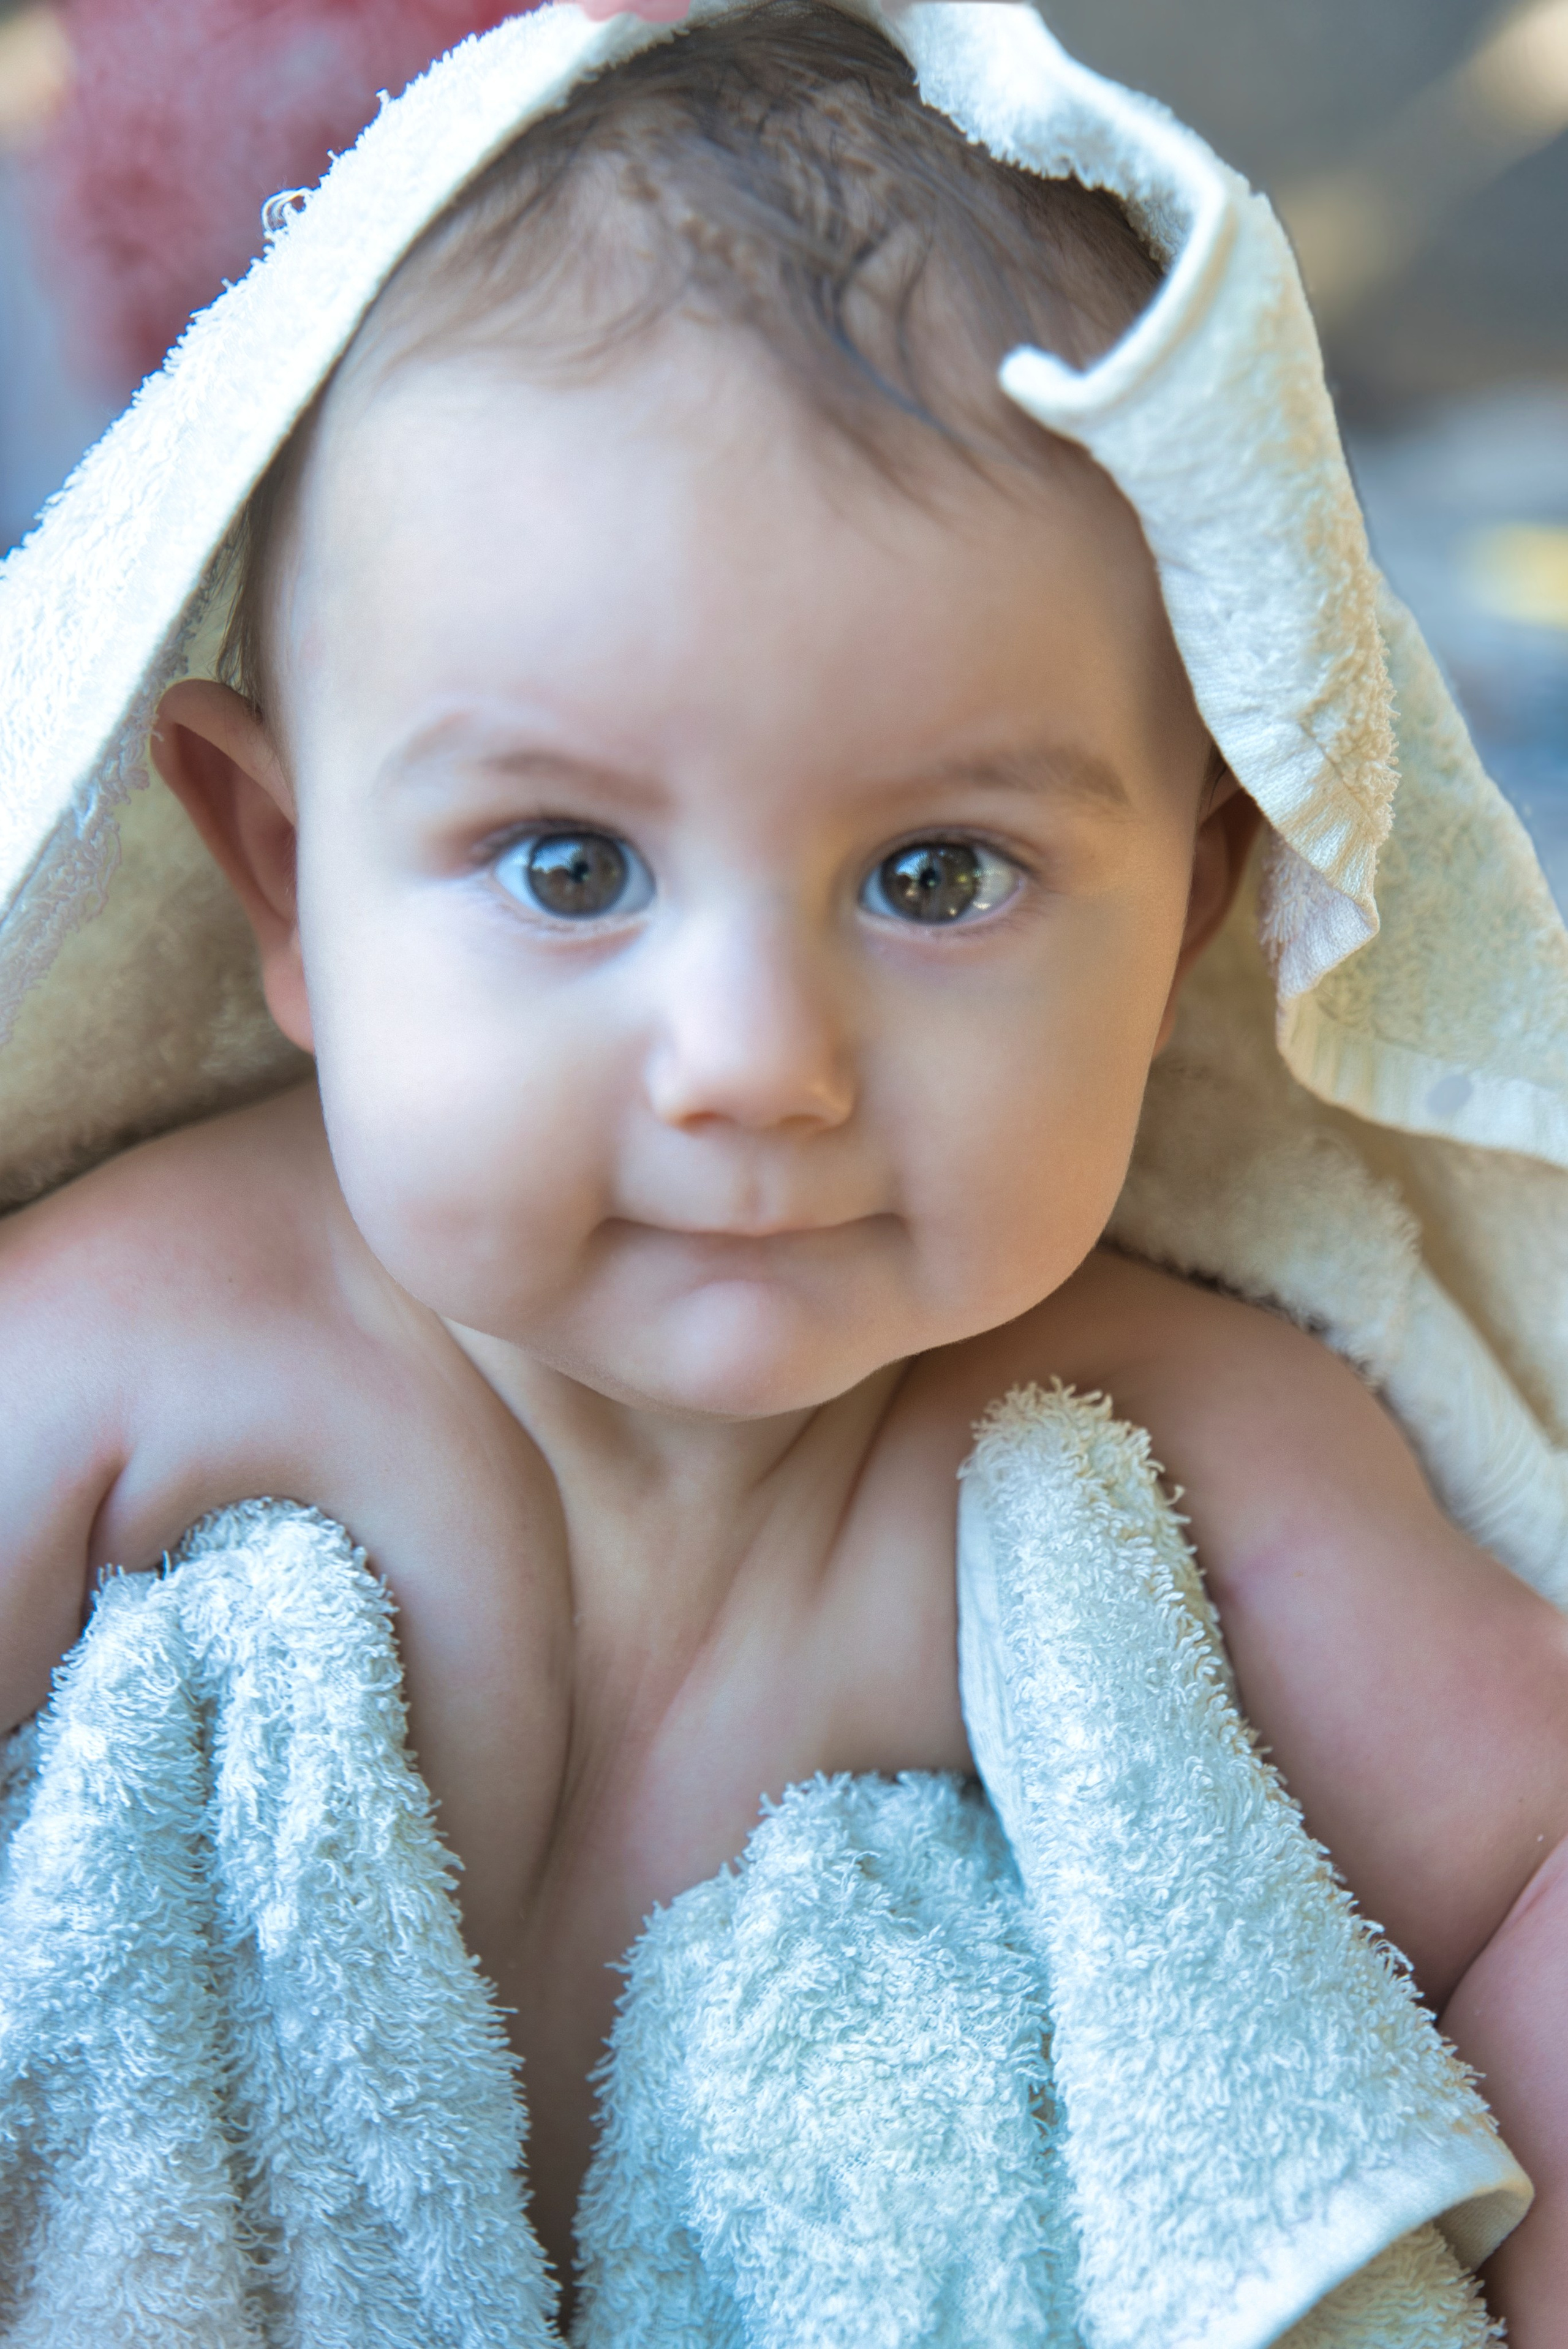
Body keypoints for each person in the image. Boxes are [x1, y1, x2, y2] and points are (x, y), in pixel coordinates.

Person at [1, 3, 1565, 2339]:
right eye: (565, 863)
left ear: (1193, 920)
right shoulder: (134, 1340)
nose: (755, 1065)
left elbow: (1537, 1858)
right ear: (281, 871)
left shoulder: (1183, 1450)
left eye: (939, 878)